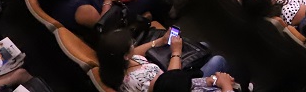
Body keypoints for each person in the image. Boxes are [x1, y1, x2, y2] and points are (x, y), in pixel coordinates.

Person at [97, 28, 232, 92]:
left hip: (173, 78)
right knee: (218, 60)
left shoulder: (114, 65)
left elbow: (135, 53)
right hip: (178, 82)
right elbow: (171, 85)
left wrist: (160, 41)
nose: (134, 45)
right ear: (125, 55)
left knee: (203, 46)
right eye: (131, 43)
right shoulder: (138, 80)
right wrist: (176, 52)